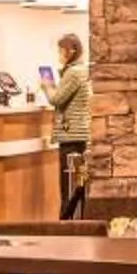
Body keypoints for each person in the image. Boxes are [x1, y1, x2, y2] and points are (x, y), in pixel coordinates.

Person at [50, 31, 92, 215]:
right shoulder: (82, 70)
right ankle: (76, 221)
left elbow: (57, 99)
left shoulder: (73, 72)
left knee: (68, 187)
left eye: (61, 51)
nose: (59, 55)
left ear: (70, 51)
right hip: (81, 134)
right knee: (79, 184)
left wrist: (47, 87)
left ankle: (65, 224)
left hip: (71, 135)